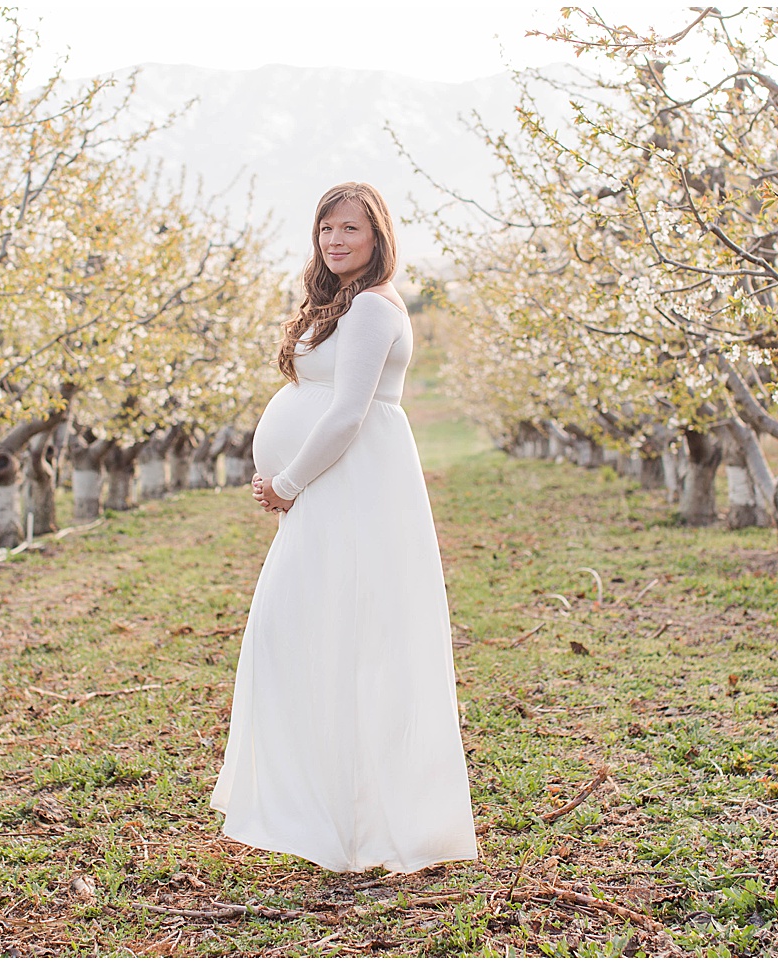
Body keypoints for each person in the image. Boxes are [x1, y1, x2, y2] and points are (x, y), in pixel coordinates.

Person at [210, 182, 478, 873]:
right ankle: (330, 817)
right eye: (326, 228)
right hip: (337, 489)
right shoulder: (343, 304)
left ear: (377, 236)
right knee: (319, 637)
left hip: (350, 486)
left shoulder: (371, 308)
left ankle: (351, 822)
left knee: (329, 638)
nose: (335, 240)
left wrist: (288, 483)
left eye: (350, 229)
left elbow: (348, 413)